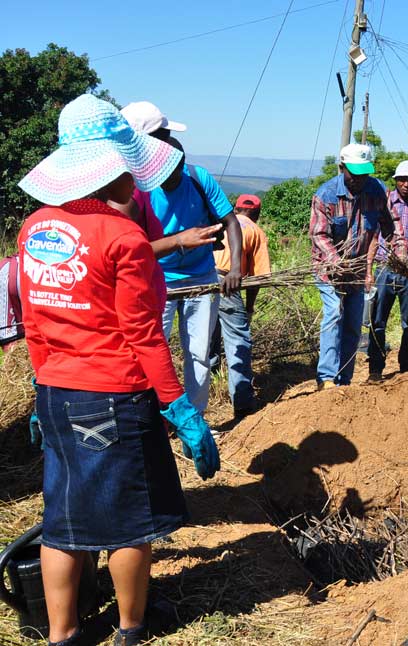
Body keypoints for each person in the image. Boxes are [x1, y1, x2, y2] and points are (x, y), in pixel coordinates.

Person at [16, 95, 219, 646]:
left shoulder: (34, 228)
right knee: (130, 521)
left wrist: (42, 390)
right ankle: (133, 625)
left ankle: (63, 635)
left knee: (64, 520)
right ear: (111, 169)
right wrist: (180, 409)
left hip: (59, 391)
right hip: (113, 397)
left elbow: (34, 323)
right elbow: (144, 336)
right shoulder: (123, 238)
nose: (138, 175)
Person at [122, 102, 244, 413]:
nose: (171, 176)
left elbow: (231, 221)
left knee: (199, 355)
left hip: (201, 277)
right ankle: (156, 420)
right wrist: (179, 241)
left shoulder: (198, 178)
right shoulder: (135, 190)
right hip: (155, 281)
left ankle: (197, 419)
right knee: (152, 352)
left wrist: (235, 269)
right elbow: (131, 250)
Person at [311, 143, 394, 388]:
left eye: (364, 173)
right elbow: (318, 235)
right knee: (335, 313)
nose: (359, 179)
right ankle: (326, 377)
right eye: (354, 173)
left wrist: (397, 249)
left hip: (356, 272)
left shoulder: (377, 191)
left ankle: (344, 380)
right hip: (329, 270)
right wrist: (337, 262)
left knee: (353, 324)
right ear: (342, 167)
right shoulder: (326, 195)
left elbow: (388, 224)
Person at [366, 160, 408, 381]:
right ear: (396, 181)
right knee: (377, 321)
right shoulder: (384, 204)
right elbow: (374, 238)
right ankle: (375, 370)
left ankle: (407, 368)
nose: (406, 184)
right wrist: (369, 270)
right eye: (402, 180)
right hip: (385, 268)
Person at [213, 194, 271, 416]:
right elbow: (257, 278)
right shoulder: (255, 231)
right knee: (238, 339)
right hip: (228, 282)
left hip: (202, 280)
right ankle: (243, 403)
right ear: (256, 213)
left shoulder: (219, 222)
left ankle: (210, 388)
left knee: (207, 336)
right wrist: (249, 308)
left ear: (236, 209)